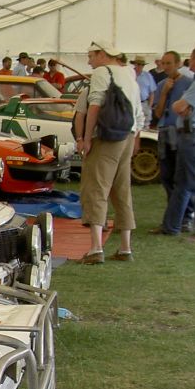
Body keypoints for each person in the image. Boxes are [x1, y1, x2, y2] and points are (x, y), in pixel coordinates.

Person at [77, 41, 141, 264]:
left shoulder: (102, 73)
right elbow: (139, 114)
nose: (89, 61)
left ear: (102, 54)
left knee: (96, 188)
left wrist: (85, 138)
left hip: (106, 137)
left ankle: (95, 248)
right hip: (127, 136)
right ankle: (125, 247)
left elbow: (94, 106)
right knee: (122, 190)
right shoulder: (129, 75)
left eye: (91, 56)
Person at [151, 43, 195, 240]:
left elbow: (180, 106)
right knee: (181, 182)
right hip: (191, 134)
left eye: (192, 55)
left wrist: (179, 105)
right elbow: (182, 108)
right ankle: (171, 225)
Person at [152, 51, 193, 201]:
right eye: (164, 63)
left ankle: (186, 214)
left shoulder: (189, 83)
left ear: (178, 64)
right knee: (166, 175)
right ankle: (173, 209)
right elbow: (157, 113)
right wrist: (164, 93)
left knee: (181, 174)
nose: (166, 66)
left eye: (169, 63)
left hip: (180, 131)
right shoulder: (161, 85)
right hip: (164, 131)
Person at [131, 56, 157, 128]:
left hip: (144, 103)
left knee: (145, 125)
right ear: (135, 64)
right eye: (138, 64)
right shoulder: (129, 74)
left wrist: (149, 106)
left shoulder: (148, 76)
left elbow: (152, 92)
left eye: (142, 64)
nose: (140, 66)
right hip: (131, 103)